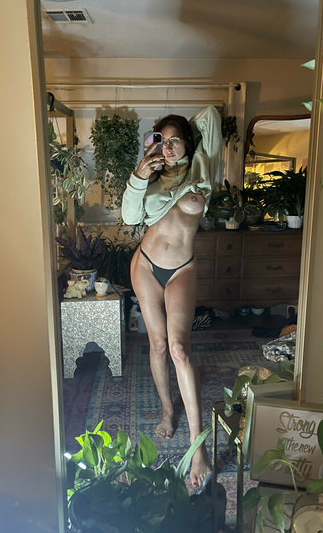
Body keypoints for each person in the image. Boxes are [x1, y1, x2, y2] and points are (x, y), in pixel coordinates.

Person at [122, 105, 222, 488]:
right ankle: (167, 409)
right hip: (146, 266)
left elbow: (210, 116)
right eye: (160, 140)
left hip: (182, 268)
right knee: (159, 345)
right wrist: (139, 173)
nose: (166, 147)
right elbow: (131, 217)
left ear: (188, 143)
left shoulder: (201, 169)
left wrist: (181, 138)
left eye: (174, 140)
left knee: (180, 348)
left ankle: (198, 448)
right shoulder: (149, 178)